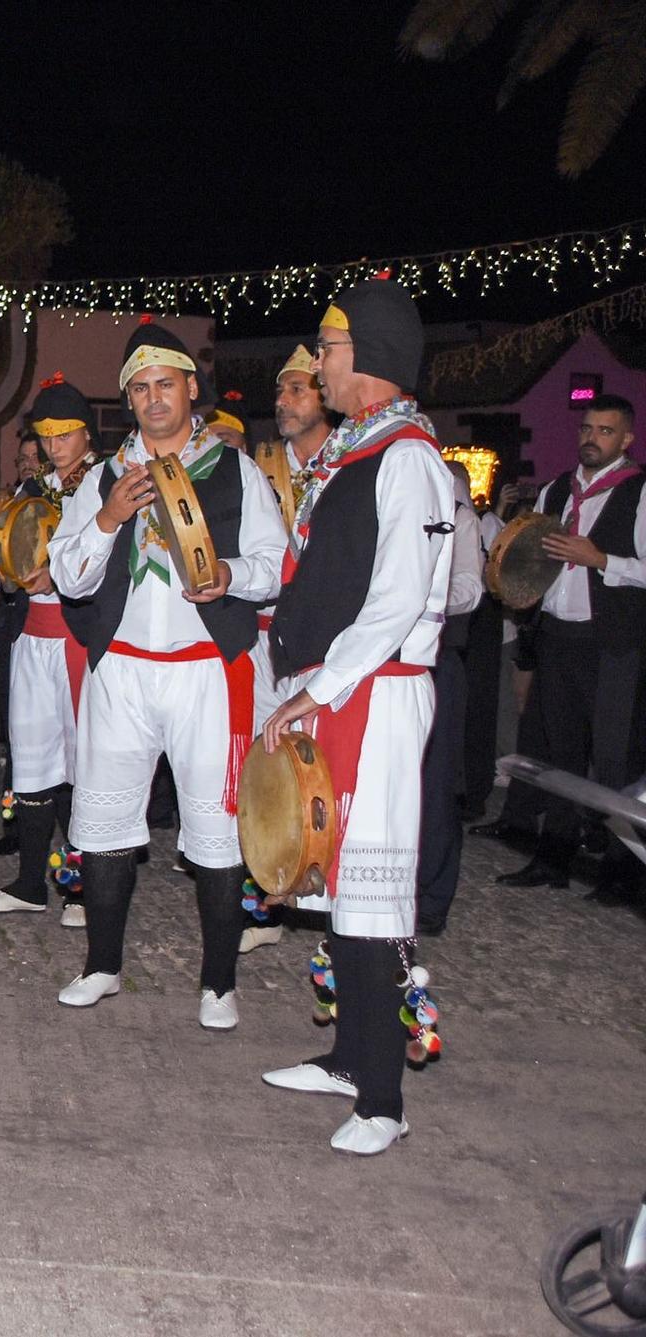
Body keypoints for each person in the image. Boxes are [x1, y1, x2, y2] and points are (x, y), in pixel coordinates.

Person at [258, 275, 456, 1155]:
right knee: (340, 885)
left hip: (376, 694)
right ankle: (348, 1059)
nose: (319, 366)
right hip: (349, 689)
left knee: (371, 892)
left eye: (330, 351)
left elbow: (396, 600)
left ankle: (383, 1099)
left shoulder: (409, 457)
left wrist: (317, 686)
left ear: (367, 360)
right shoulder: (362, 450)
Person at [45, 318, 286, 1029]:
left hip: (207, 670)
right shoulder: (100, 479)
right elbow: (68, 575)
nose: (153, 399)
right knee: (105, 821)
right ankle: (101, 965)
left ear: (191, 388)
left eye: (165, 385)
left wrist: (230, 577)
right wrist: (109, 518)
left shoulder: (236, 471)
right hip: (121, 669)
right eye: (140, 388)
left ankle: (218, 982)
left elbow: (274, 569)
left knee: (214, 830)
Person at [495, 393, 645, 903]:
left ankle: (622, 874)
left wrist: (601, 559)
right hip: (559, 636)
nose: (591, 438)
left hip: (613, 644)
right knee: (557, 756)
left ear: (626, 439)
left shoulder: (639, 491)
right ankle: (553, 858)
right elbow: (529, 558)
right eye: (586, 428)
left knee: (614, 759)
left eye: (605, 431)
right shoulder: (557, 490)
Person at [0, 374, 98, 923]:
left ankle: (80, 886)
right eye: (46, 436)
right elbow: (11, 561)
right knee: (32, 759)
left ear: (85, 432)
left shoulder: (105, 484)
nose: (53, 446)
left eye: (64, 434)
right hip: (32, 637)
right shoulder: (32, 490)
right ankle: (29, 882)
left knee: (82, 762)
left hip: (80, 639)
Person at [238, 345, 336, 953]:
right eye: (281, 393)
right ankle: (267, 902)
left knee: (320, 777)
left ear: (325, 396)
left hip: (320, 645)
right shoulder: (261, 466)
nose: (284, 402)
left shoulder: (345, 466)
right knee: (265, 769)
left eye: (298, 390)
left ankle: (329, 904)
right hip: (261, 636)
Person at [413, 459, 485, 935]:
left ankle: (433, 899)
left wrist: (419, 596)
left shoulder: (460, 516)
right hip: (389, 661)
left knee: (436, 785)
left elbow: (469, 590)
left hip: (438, 662)